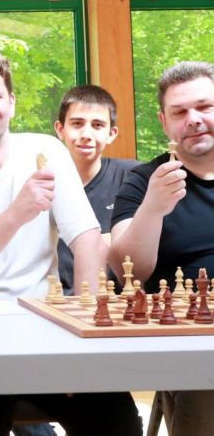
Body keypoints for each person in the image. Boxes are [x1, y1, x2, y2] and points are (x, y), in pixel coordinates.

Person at [0, 45, 141, 435]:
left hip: (45, 333)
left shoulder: (45, 152)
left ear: (12, 103)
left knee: (117, 419)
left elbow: (87, 241)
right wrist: (16, 213)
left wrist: (85, 330)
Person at [110, 61, 214, 435]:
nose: (194, 119)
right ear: (164, 122)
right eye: (180, 112)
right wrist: (153, 208)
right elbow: (129, 271)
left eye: (204, 107)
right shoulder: (143, 181)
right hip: (192, 338)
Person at [53, 85, 138, 294]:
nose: (86, 134)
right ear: (60, 129)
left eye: (97, 125)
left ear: (111, 133)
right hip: (55, 300)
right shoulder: (42, 182)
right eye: (77, 124)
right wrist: (109, 239)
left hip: (115, 302)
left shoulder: (134, 178)